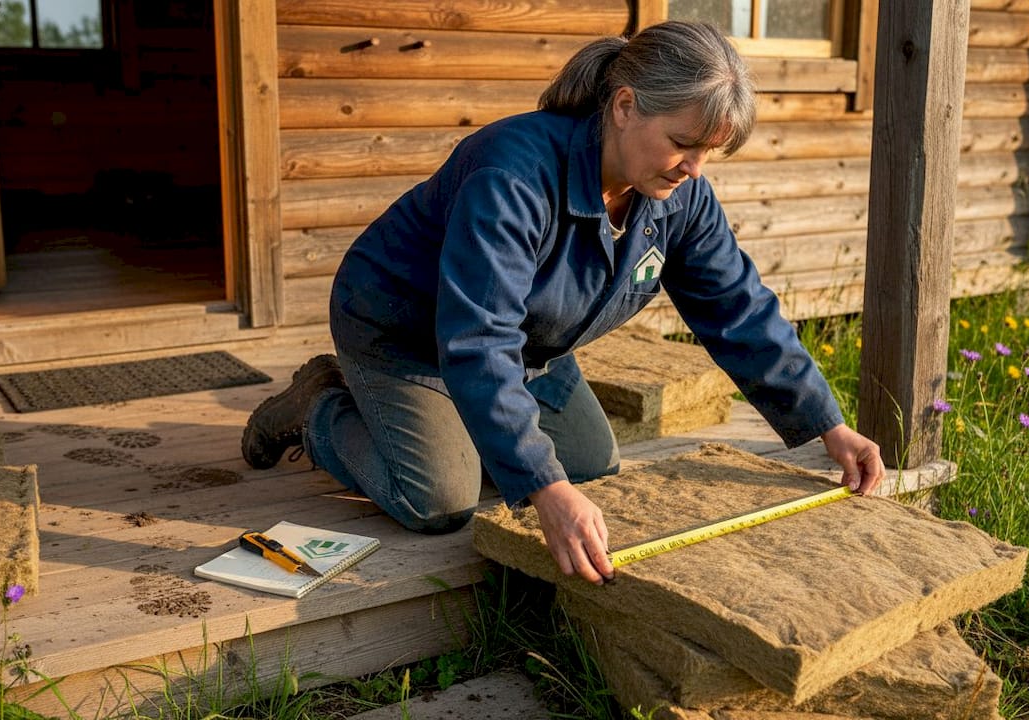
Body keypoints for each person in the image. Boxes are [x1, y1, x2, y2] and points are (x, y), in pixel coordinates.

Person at [242, 20, 884, 586]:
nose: (695, 167)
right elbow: (477, 337)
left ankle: (457, 422)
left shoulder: (677, 194)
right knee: (440, 501)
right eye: (685, 143)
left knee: (591, 471)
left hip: (531, 348)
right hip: (402, 328)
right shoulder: (512, 174)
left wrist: (827, 425)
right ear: (626, 107)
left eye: (710, 153)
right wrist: (543, 489)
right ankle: (319, 408)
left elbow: (738, 307)